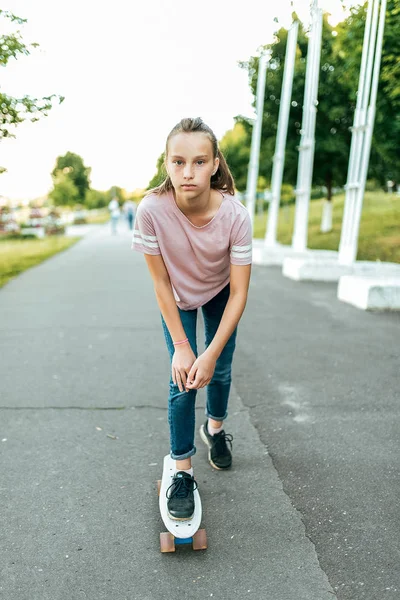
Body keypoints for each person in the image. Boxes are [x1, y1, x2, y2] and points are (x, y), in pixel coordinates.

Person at [132, 117, 252, 521]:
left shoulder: (236, 216)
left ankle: (215, 430)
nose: (188, 172)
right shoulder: (150, 210)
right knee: (181, 378)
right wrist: (184, 349)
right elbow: (160, 282)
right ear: (165, 163)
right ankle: (182, 469)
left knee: (217, 372)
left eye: (199, 162)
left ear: (215, 163)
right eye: (178, 161)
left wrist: (211, 352)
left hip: (221, 292)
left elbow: (239, 293)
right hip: (178, 296)